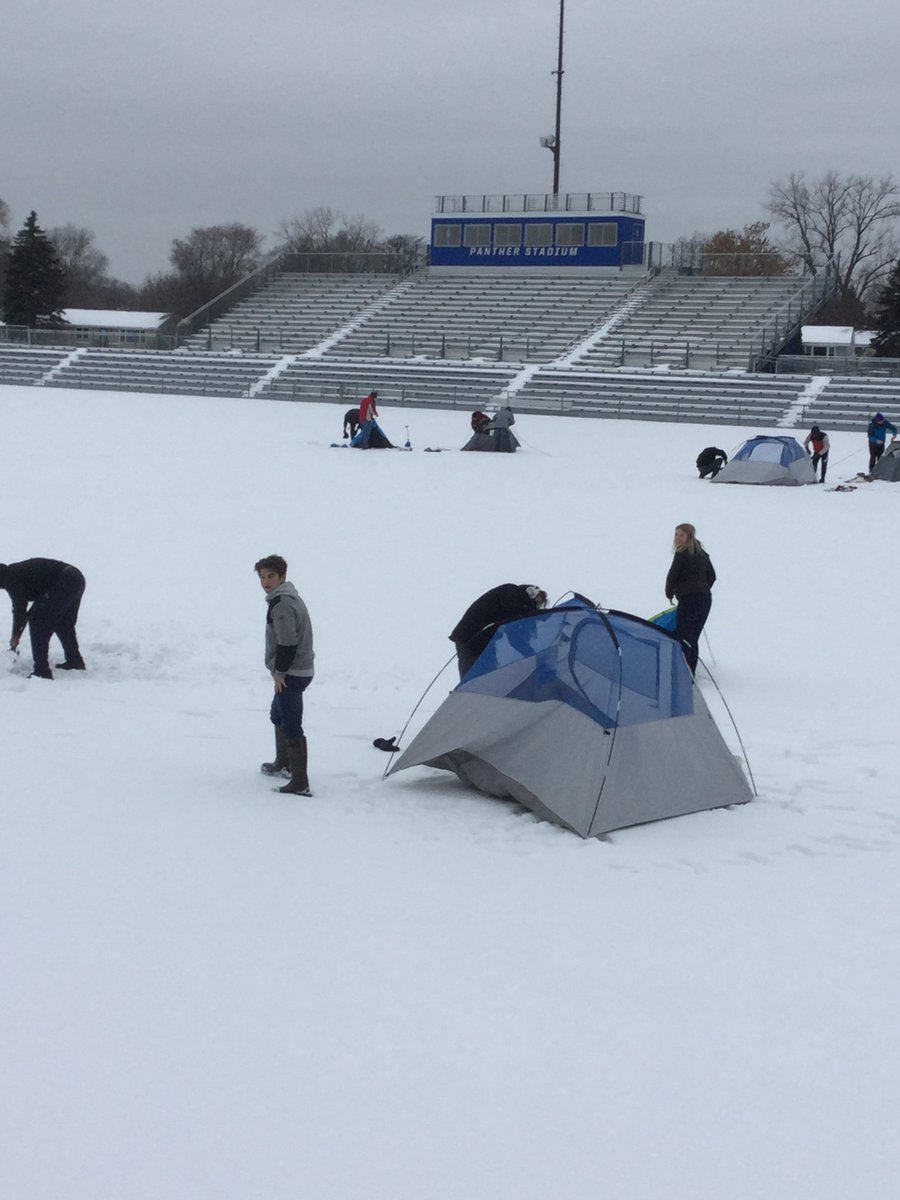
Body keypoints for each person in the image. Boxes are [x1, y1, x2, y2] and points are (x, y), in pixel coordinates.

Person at [255, 554, 315, 796]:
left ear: (282, 576)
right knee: (277, 714)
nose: (266, 582)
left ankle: (300, 782)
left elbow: (288, 643)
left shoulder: (282, 604)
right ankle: (284, 763)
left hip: (292, 672)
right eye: (262, 577)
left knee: (291, 724)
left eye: (271, 576)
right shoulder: (285, 598)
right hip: (292, 671)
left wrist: (280, 673)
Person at [0, 558, 86, 680]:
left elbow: (20, 612)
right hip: (76, 578)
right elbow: (23, 611)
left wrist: (15, 636)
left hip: (64, 581)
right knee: (63, 623)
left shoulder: (12, 580)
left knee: (37, 622)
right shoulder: (15, 572)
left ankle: (41, 670)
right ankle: (74, 660)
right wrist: (16, 635)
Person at [449, 583, 547, 680]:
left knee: (491, 677)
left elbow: (515, 638)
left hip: (485, 643)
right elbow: (514, 610)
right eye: (536, 598)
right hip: (469, 638)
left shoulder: (515, 614)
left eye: (539, 604)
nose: (536, 604)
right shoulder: (510, 590)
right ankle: (466, 693)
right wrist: (538, 614)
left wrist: (533, 656)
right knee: (472, 677)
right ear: (530, 592)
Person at [664, 524, 715, 677]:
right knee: (693, 636)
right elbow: (712, 576)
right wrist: (703, 588)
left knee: (685, 636)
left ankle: (684, 674)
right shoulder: (702, 554)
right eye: (676, 535)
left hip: (689, 599)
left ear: (689, 537)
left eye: (681, 535)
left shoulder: (682, 554)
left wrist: (669, 593)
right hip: (705, 599)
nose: (678, 538)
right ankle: (690, 671)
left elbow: (672, 576)